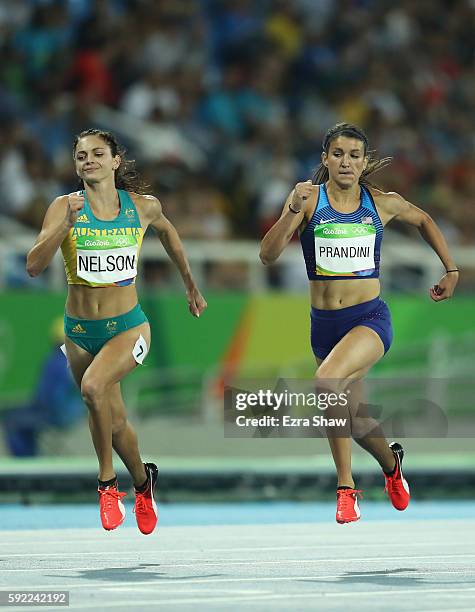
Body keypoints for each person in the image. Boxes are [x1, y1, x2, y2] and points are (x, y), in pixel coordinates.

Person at [259, 122, 459, 523]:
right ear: (325, 160)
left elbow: (423, 221)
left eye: (354, 156)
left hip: (369, 318)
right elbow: (268, 254)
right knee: (355, 419)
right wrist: (293, 212)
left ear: (364, 162)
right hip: (324, 326)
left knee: (325, 383)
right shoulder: (308, 199)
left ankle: (346, 487)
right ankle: (391, 464)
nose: (346, 162)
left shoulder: (381, 203)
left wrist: (450, 269)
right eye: (338, 154)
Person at [26, 128, 207, 533]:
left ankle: (107, 486)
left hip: (129, 327)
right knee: (115, 421)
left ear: (115, 161)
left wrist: (190, 284)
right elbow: (34, 265)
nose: (88, 160)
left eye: (96, 153)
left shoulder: (141, 207)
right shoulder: (63, 207)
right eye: (80, 156)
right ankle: (143, 482)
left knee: (93, 388)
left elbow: (169, 233)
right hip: (79, 333)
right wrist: (63, 228)